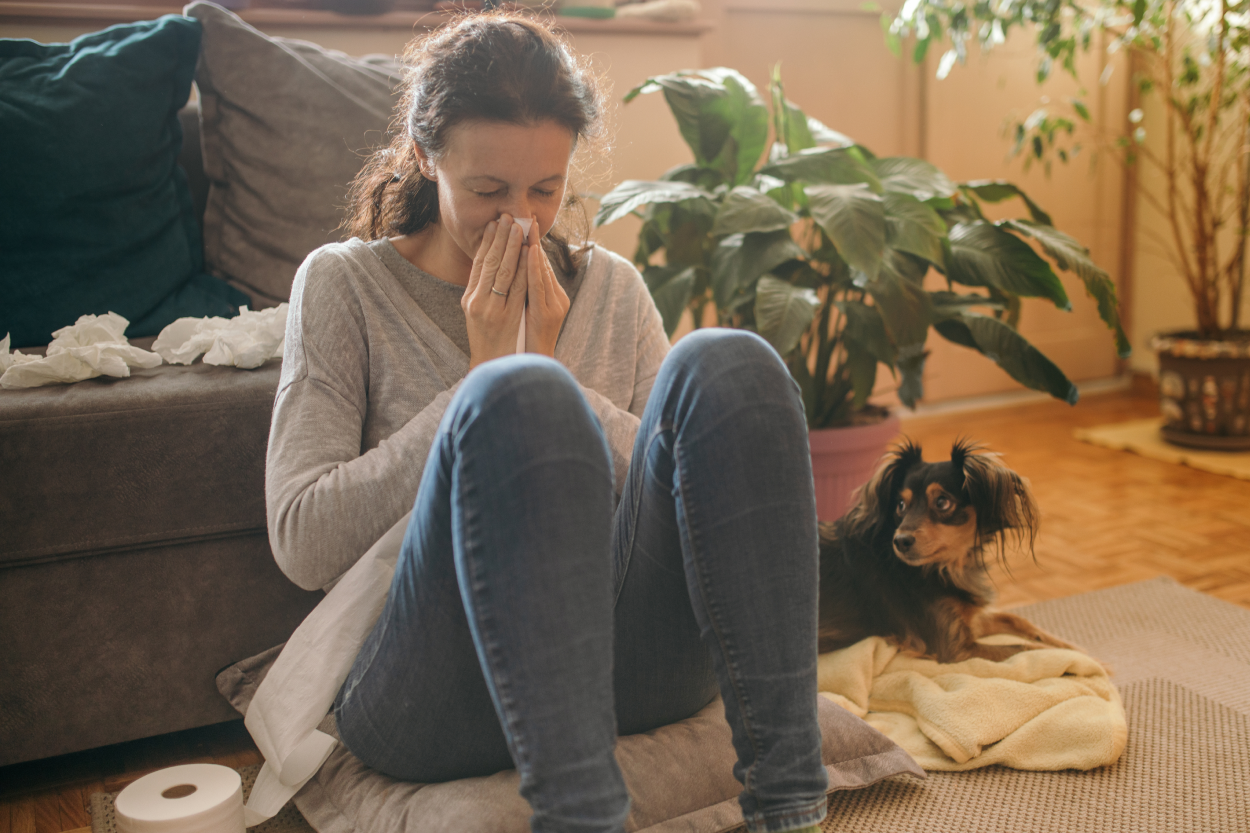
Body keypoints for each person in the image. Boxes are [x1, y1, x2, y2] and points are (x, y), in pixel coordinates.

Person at [265, 12, 828, 833]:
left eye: (546, 189)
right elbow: (303, 540)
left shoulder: (614, 290)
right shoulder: (344, 287)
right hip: (433, 689)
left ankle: (792, 803)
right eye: (488, 190)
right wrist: (480, 386)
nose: (519, 220)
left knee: (732, 362)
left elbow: (686, 499)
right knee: (516, 395)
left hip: (631, 665)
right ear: (426, 156)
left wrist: (561, 378)